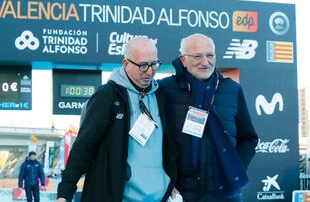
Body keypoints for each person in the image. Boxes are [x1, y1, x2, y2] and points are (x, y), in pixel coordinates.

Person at [57, 36, 178, 202]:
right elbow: (84, 145)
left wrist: (173, 181)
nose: (149, 71)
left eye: (154, 64)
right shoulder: (107, 96)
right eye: (143, 65)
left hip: (156, 198)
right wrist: (65, 192)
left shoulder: (161, 96)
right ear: (126, 63)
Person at [159, 33, 259, 202]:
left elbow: (249, 138)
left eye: (210, 55)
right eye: (197, 56)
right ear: (183, 59)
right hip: (182, 192)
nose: (205, 62)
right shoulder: (165, 89)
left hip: (226, 191)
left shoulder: (232, 89)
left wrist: (235, 167)